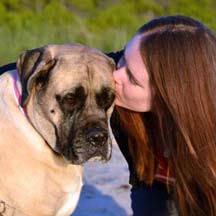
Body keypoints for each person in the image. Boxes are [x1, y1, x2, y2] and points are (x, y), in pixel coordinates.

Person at [108, 15, 216, 216]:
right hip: (151, 183)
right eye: (123, 57)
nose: (114, 76)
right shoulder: (121, 69)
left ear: (169, 97)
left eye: (131, 78)